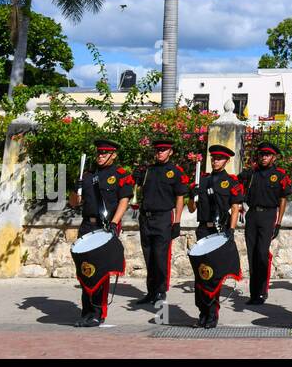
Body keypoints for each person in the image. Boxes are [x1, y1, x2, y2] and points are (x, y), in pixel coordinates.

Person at [67, 139, 134, 327]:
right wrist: (75, 188)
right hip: (87, 226)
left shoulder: (120, 175)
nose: (100, 156)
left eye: (105, 153)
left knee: (101, 272)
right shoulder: (87, 175)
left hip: (105, 228)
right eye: (98, 153)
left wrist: (114, 223)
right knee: (85, 270)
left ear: (113, 155)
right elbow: (74, 202)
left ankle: (98, 312)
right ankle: (86, 311)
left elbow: (124, 200)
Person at [188, 144, 244, 328]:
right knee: (201, 273)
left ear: (226, 161)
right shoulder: (201, 181)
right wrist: (191, 196)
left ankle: (212, 313)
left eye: (219, 158)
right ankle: (202, 312)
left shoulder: (232, 182)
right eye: (213, 158)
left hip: (220, 232)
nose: (215, 161)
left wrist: (232, 230)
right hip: (203, 230)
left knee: (213, 275)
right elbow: (191, 208)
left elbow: (235, 208)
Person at [132, 138, 190, 307]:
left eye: (164, 150)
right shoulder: (148, 170)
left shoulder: (175, 171)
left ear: (170, 152)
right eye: (158, 150)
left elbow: (180, 197)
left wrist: (177, 222)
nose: (160, 153)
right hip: (146, 217)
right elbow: (135, 190)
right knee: (149, 256)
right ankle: (151, 291)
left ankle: (161, 290)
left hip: (163, 217)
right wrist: (135, 178)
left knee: (160, 256)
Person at [237, 143, 292, 305]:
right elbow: (236, 184)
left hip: (269, 215)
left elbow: (283, 199)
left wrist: (279, 223)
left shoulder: (279, 175)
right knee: (252, 254)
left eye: (267, 155)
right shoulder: (251, 173)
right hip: (252, 215)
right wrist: (239, 203)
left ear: (273, 157)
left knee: (262, 254)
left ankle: (262, 291)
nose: (264, 157)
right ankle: (254, 293)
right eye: (261, 154)